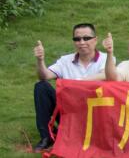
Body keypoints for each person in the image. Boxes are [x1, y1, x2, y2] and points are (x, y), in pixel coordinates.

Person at [32, 24, 108, 152]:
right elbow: (44, 76)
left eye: (86, 38)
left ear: (95, 40)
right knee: (41, 86)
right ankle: (46, 137)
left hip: (94, 115)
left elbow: (106, 75)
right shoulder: (65, 60)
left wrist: (77, 82)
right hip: (67, 111)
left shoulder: (106, 59)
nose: (81, 42)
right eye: (77, 39)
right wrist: (40, 60)